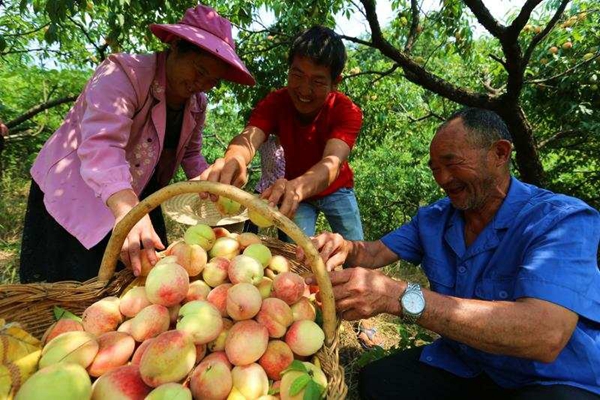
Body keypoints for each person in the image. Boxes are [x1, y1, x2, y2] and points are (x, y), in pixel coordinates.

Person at [300, 108, 600, 399]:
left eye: (451, 162)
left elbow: (544, 334)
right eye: (435, 169)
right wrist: (343, 245)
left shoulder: (561, 220)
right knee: (380, 383)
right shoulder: (435, 218)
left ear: (500, 153)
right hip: (471, 364)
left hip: (551, 378)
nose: (442, 178)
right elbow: (374, 253)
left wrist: (399, 296)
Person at [19, 4, 255, 283]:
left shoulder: (196, 104)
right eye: (199, 71)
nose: (201, 84)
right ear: (176, 47)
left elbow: (191, 156)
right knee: (66, 287)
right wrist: (127, 209)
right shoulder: (123, 74)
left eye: (212, 81)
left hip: (138, 197)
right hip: (78, 193)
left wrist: (212, 181)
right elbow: (101, 146)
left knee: (139, 284)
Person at [200, 25, 364, 241]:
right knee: (297, 253)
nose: (304, 90)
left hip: (335, 190)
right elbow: (249, 137)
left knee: (356, 253)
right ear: (288, 71)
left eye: (317, 81)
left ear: (335, 83)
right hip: (294, 191)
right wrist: (234, 159)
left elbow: (332, 164)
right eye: (297, 75)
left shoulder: (346, 111)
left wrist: (296, 187)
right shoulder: (276, 103)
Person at [242, 134, 288, 241]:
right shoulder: (266, 142)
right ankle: (245, 244)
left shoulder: (295, 147)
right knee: (250, 224)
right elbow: (251, 139)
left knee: (284, 228)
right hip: (263, 189)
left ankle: (285, 252)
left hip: (281, 194)